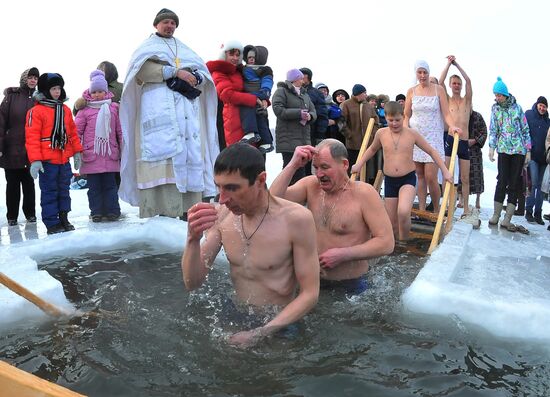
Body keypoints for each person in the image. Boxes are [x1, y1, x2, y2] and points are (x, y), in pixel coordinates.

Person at [182, 143, 319, 347]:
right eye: (219, 186)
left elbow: (310, 294)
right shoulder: (221, 216)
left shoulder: (296, 219)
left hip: (281, 322)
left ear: (260, 180)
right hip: (237, 314)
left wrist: (260, 333)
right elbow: (192, 283)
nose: (222, 198)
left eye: (232, 188)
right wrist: (192, 240)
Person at [120, 8, 219, 219]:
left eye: (173, 23)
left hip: (187, 116)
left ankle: (188, 212)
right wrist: (173, 72)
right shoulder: (146, 48)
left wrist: (195, 77)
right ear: (156, 24)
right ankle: (159, 214)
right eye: (165, 22)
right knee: (163, 158)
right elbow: (139, 72)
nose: (169, 26)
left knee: (188, 156)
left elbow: (202, 75)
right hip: (157, 112)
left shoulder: (185, 49)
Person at [270, 139, 394, 295]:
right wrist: (293, 165)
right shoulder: (311, 186)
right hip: (312, 281)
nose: (319, 174)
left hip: (351, 286)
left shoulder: (363, 194)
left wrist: (343, 254)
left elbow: (387, 242)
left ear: (344, 164)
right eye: (315, 168)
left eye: (325, 167)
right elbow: (270, 203)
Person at [351, 102, 453, 241]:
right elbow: (372, 149)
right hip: (390, 180)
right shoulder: (381, 133)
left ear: (403, 117)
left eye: (397, 120)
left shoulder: (411, 134)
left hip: (408, 179)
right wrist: (359, 164)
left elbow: (431, 151)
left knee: (403, 211)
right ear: (385, 118)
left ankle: (404, 241)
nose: (394, 123)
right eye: (390, 120)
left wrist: (445, 171)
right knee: (391, 223)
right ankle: (396, 246)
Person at [25, 73, 83, 234]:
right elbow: (32, 137)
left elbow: (72, 133)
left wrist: (77, 152)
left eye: (59, 88)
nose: (57, 91)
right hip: (47, 161)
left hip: (63, 158)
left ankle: (64, 217)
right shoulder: (36, 111)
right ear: (45, 90)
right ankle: (52, 222)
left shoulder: (64, 109)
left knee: (64, 189)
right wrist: (35, 160)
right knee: (50, 191)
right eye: (53, 88)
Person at [403, 60, 461, 213]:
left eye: (425, 72)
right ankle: (422, 209)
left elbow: (446, 113)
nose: (422, 75)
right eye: (419, 72)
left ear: (429, 73)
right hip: (416, 136)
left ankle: (436, 209)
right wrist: (404, 129)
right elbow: (406, 114)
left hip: (433, 136)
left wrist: (452, 126)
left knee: (431, 176)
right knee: (419, 175)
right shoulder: (411, 91)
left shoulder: (438, 90)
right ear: (416, 73)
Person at [75, 70, 123, 222]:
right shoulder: (84, 111)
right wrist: (77, 151)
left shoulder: (114, 108)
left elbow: (120, 131)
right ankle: (96, 211)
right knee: (94, 188)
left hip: (110, 154)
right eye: (94, 92)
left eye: (100, 91)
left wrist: (123, 148)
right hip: (91, 155)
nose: (97, 94)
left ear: (106, 91)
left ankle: (113, 211)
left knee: (110, 186)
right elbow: (76, 132)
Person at [488, 77, 531, 233]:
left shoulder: (517, 108)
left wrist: (528, 151)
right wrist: (492, 147)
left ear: (505, 94)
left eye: (499, 94)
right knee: (501, 181)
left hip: (518, 151)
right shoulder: (495, 109)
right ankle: (496, 214)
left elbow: (525, 130)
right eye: (495, 95)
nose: (497, 97)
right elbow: (493, 129)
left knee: (513, 183)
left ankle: (507, 219)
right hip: (503, 149)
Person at [0, 67, 40, 226]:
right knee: (13, 185)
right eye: (30, 77)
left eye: (35, 78)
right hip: (12, 148)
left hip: (30, 149)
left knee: (29, 184)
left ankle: (30, 214)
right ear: (24, 79)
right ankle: (12, 217)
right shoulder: (11, 97)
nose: (33, 80)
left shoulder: (38, 99)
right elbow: (1, 122)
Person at [207, 40, 263, 146]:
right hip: (232, 117)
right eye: (231, 54)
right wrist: (253, 99)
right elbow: (227, 95)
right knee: (238, 155)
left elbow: (253, 88)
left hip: (250, 117)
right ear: (224, 54)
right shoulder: (219, 71)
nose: (235, 58)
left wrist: (264, 101)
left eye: (238, 55)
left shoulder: (241, 71)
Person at [439, 55, 474, 218]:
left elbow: (468, 81)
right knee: (449, 175)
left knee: (465, 178)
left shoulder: (467, 100)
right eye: (454, 83)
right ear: (451, 85)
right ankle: (447, 205)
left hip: (464, 142)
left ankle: (466, 209)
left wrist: (457, 64)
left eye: (458, 84)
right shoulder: (447, 100)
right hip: (451, 140)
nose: (457, 86)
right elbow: (439, 84)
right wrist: (447, 64)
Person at [272, 68, 316, 185]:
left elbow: (313, 111)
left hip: (303, 139)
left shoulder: (305, 94)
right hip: (288, 140)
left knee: (300, 170)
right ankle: (283, 195)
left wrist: (310, 116)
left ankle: (297, 196)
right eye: (301, 78)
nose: (303, 81)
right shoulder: (281, 91)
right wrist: (299, 113)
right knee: (289, 168)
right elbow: (278, 109)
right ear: (295, 79)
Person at [340, 83, 379, 183]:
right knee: (352, 168)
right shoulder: (346, 104)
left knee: (366, 171)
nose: (366, 95)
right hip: (353, 145)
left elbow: (375, 121)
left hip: (367, 145)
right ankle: (349, 187)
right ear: (358, 93)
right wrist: (349, 135)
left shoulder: (368, 106)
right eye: (364, 93)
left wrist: (372, 134)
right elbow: (341, 122)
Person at [240, 44, 274, 153]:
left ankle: (250, 132)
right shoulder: (243, 68)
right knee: (260, 117)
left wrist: (264, 93)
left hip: (258, 93)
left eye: (253, 58)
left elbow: (267, 81)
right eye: (249, 57)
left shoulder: (264, 70)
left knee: (247, 107)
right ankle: (266, 142)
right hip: (253, 93)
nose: (251, 60)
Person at [524, 96, 550, 225]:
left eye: (544, 106)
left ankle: (538, 213)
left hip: (544, 159)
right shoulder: (529, 115)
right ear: (537, 105)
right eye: (541, 105)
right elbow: (524, 131)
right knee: (533, 183)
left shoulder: (548, 122)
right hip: (532, 156)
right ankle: (528, 210)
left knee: (541, 187)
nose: (542, 108)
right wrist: (527, 150)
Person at [459, 110, 487, 210]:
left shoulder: (478, 116)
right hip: (461, 147)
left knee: (477, 175)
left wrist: (475, 140)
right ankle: (461, 198)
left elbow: (484, 132)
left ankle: (478, 199)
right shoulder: (460, 115)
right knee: (461, 175)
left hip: (475, 149)